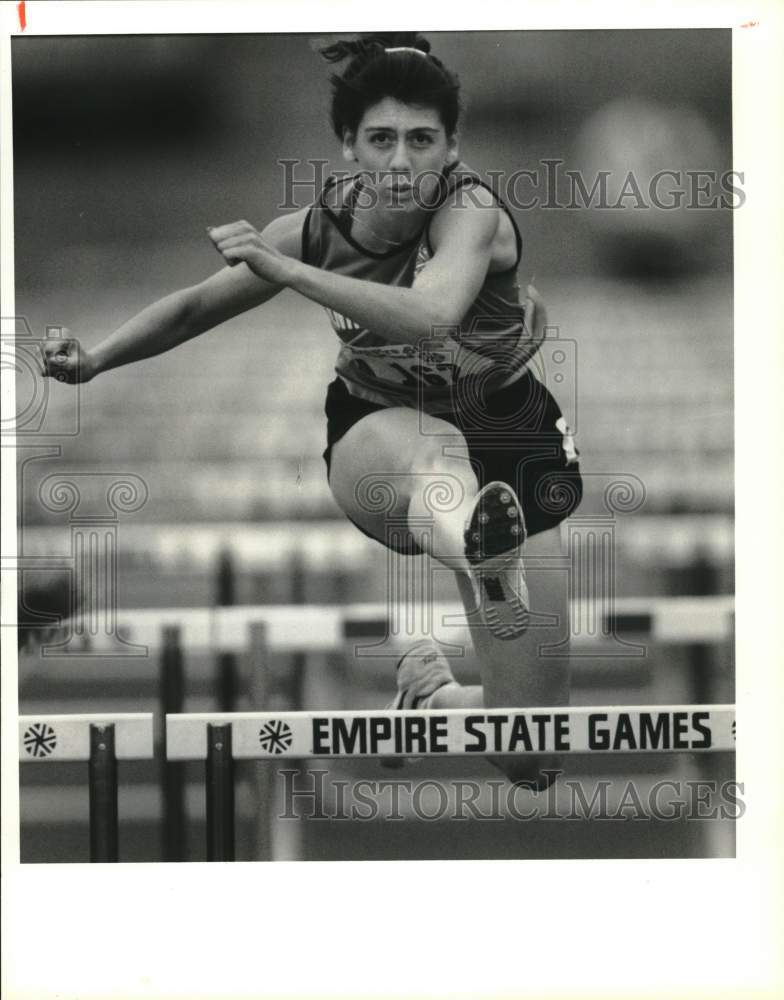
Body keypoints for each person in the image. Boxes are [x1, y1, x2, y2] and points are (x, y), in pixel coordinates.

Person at [40, 32, 582, 788]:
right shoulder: (314, 228)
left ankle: (431, 695)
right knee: (434, 457)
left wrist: (290, 271)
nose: (401, 163)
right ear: (348, 146)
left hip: (508, 431)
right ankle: (481, 542)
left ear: (453, 145)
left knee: (533, 750)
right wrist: (97, 358)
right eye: (382, 140)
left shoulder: (472, 216)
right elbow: (197, 306)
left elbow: (430, 315)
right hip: (382, 433)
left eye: (422, 140)